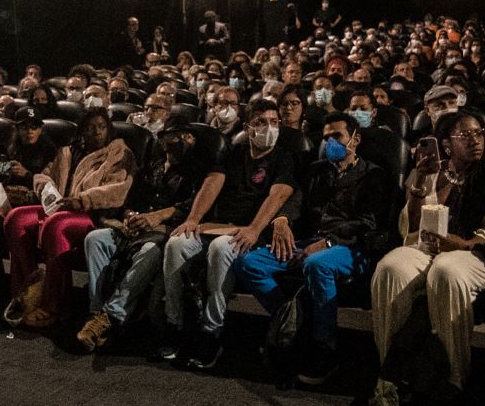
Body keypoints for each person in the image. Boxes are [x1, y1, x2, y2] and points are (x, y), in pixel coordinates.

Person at [230, 111, 394, 384]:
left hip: (350, 246)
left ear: (355, 139)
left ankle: (324, 345)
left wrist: (327, 243)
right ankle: (296, 324)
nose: (330, 142)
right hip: (308, 240)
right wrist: (282, 219)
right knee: (248, 263)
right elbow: (296, 204)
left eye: (337, 136)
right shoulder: (316, 170)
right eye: (326, 137)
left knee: (317, 264)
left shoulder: (374, 175)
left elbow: (368, 223)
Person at [368, 109, 485, 406]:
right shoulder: (427, 171)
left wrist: (463, 243)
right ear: (446, 145)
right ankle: (390, 376)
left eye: (479, 134)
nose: (476, 141)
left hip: (473, 252)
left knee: (445, 271)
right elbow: (411, 227)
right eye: (466, 135)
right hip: (425, 246)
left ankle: (454, 377)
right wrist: (420, 178)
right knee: (390, 267)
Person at [160, 98, 300, 369]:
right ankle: (174, 323)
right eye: (261, 122)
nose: (268, 127)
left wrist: (254, 228)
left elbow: (279, 194)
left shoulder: (284, 157)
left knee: (221, 248)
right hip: (220, 225)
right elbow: (213, 182)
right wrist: (193, 219)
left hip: (249, 232)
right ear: (248, 128)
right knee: (176, 243)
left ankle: (211, 331)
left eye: (273, 122)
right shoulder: (233, 154)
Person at [76, 117, 207, 351]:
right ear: (163, 139)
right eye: (176, 136)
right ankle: (95, 310)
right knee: (94, 239)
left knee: (151, 251)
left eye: (188, 137)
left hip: (164, 232)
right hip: (135, 227)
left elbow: (189, 207)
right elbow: (131, 200)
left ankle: (111, 314)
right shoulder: (152, 168)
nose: (182, 141)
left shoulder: (195, 171)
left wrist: (157, 217)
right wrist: (129, 216)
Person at [1, 109, 134, 329]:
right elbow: (44, 175)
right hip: (60, 207)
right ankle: (28, 292)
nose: (97, 132)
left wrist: (81, 200)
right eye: (91, 127)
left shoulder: (119, 152)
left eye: (102, 127)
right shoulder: (67, 152)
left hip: (92, 215)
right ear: (82, 130)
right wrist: (48, 190)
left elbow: (118, 190)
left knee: (56, 224)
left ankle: (55, 303)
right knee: (16, 218)